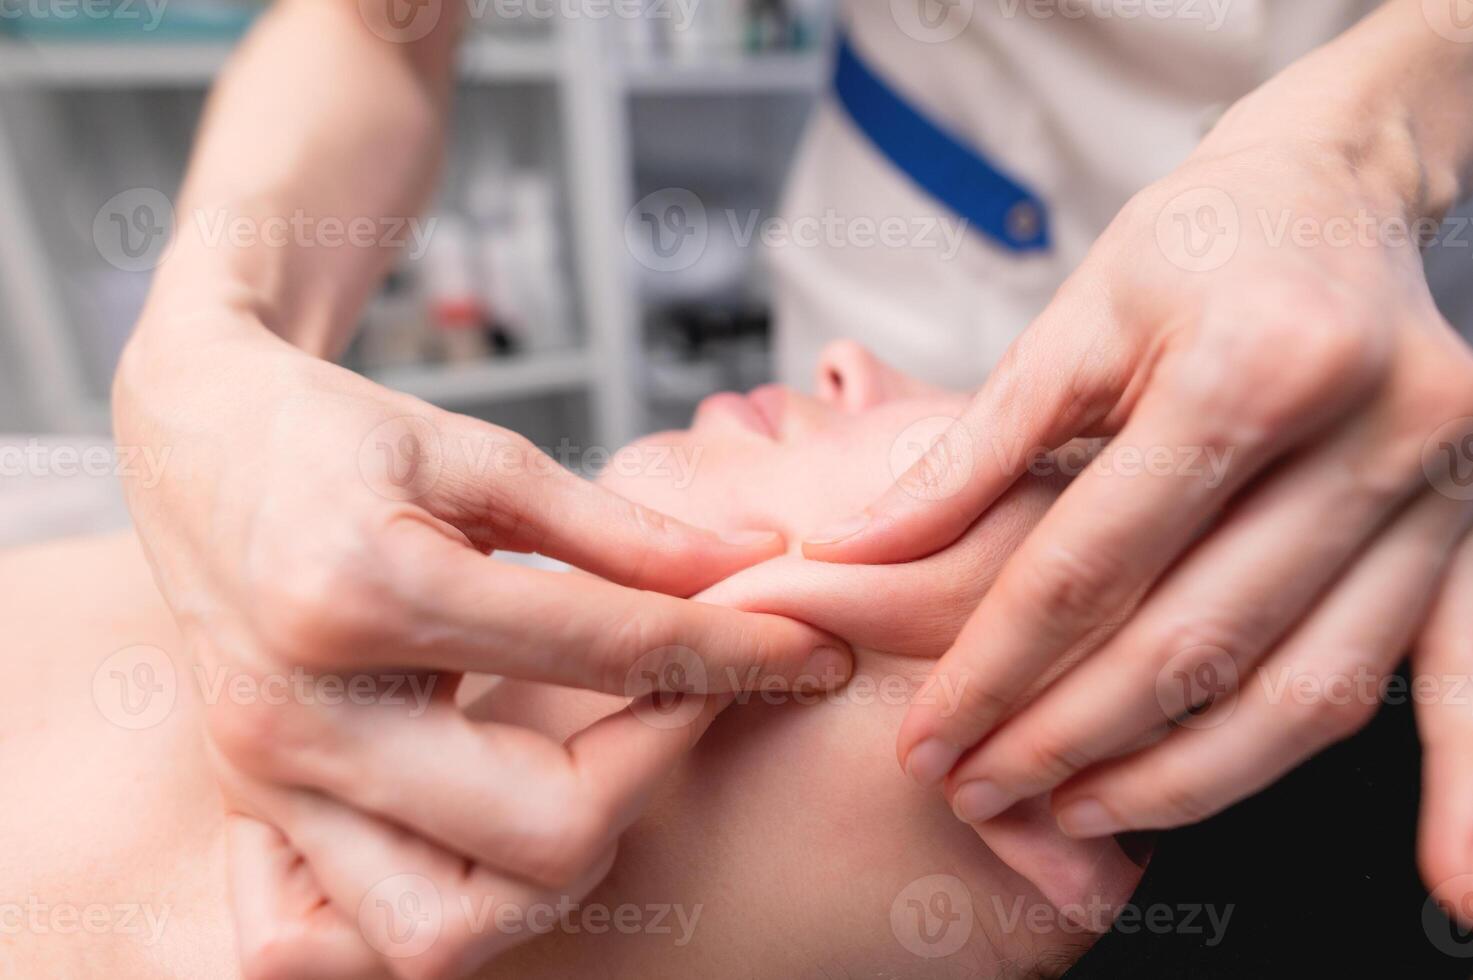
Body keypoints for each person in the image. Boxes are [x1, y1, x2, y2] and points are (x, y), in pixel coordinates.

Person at [112, 0, 1473, 974]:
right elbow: (374, 28)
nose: (847, 365)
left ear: (1085, 862)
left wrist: (1372, 133)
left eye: (1070, 472)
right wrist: (198, 341)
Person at [14, 344, 1150, 979]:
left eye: (1048, 455)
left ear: (1081, 823)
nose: (850, 361)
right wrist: (191, 350)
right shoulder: (256, 536)